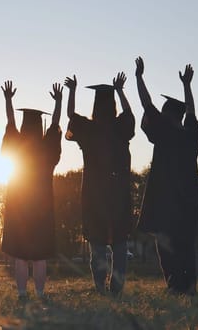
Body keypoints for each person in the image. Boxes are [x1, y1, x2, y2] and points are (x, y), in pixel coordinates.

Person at [135, 57, 198, 296]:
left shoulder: (163, 132)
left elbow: (146, 104)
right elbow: (192, 112)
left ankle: (175, 285)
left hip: (165, 201)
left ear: (166, 115)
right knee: (185, 244)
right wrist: (187, 85)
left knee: (166, 244)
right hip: (188, 201)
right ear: (181, 116)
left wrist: (139, 77)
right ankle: (190, 285)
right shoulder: (192, 134)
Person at [65, 72, 135, 296]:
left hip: (94, 194)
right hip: (119, 193)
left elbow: (70, 115)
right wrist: (121, 91)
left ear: (95, 107)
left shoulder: (88, 129)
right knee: (120, 244)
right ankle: (117, 287)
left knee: (97, 244)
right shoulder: (120, 127)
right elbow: (129, 114)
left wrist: (73, 91)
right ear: (113, 106)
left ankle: (99, 287)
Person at [0, 80, 62, 299]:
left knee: (20, 254)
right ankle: (40, 292)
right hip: (42, 207)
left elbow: (10, 122)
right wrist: (59, 102)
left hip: (19, 204)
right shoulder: (47, 149)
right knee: (39, 255)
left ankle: (22, 293)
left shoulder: (17, 145)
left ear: (25, 128)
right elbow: (54, 126)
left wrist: (8, 99)